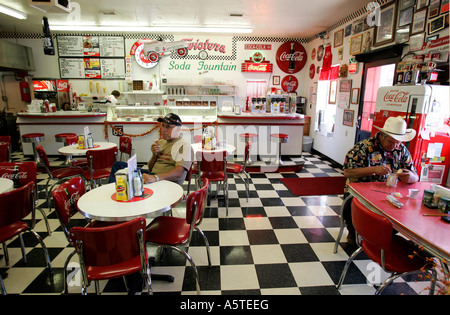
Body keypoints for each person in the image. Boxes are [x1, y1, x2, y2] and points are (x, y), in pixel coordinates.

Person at [342, 116, 419, 244]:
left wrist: (411, 177)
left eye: (398, 143)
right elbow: (347, 172)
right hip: (361, 192)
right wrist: (373, 169)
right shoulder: (363, 148)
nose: (394, 146)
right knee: (351, 207)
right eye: (391, 142)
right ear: (382, 136)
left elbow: (415, 175)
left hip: (390, 193)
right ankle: (354, 233)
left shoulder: (401, 150)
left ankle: (380, 237)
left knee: (402, 213)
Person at [108, 113, 192, 185]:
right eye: (163, 125)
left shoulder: (184, 146)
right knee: (118, 165)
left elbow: (179, 173)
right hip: (153, 175)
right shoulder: (162, 142)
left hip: (166, 182)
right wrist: (155, 155)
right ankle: (114, 192)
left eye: (168, 127)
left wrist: (155, 178)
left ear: (178, 129)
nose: (164, 130)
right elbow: (151, 168)